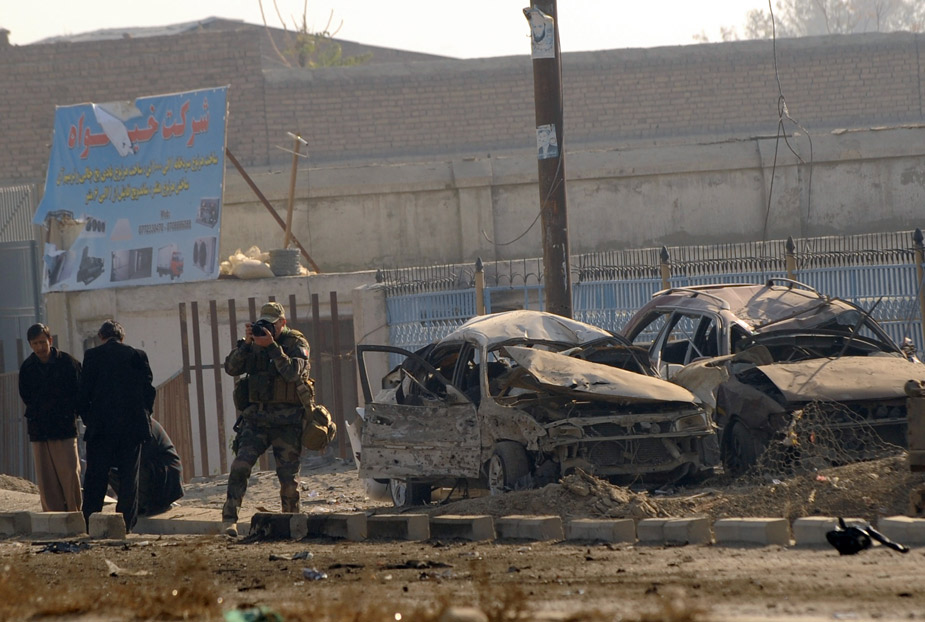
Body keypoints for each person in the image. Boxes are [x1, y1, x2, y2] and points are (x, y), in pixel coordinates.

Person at [222, 301, 311, 537]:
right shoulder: (254, 344)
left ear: (282, 323)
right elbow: (231, 368)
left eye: (273, 324)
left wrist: (272, 347)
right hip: (257, 419)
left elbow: (292, 373)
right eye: (265, 324)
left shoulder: (296, 343)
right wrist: (246, 344)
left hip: (287, 421)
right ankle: (229, 520)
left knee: (288, 479)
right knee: (240, 466)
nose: (268, 329)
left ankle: (291, 522)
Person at [78, 320, 155, 533]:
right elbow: (149, 391)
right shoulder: (137, 355)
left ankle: (91, 523)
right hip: (132, 427)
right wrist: (144, 415)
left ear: (101, 337)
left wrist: (89, 419)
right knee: (129, 478)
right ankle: (126, 525)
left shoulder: (92, 356)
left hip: (101, 428)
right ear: (122, 337)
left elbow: (83, 394)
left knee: (96, 477)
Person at [18, 323, 83, 512]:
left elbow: (80, 392)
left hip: (64, 427)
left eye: (42, 342)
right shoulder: (28, 368)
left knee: (70, 474)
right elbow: (26, 396)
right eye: (35, 343)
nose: (39, 347)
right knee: (46, 479)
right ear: (30, 345)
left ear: (50, 340)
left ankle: (74, 514)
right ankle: (52, 517)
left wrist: (70, 413)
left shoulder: (68, 363)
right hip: (40, 429)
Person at [109, 418, 183, 517]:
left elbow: (136, 458)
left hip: (164, 477)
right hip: (154, 471)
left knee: (124, 470)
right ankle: (140, 504)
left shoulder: (141, 423)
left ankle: (147, 503)